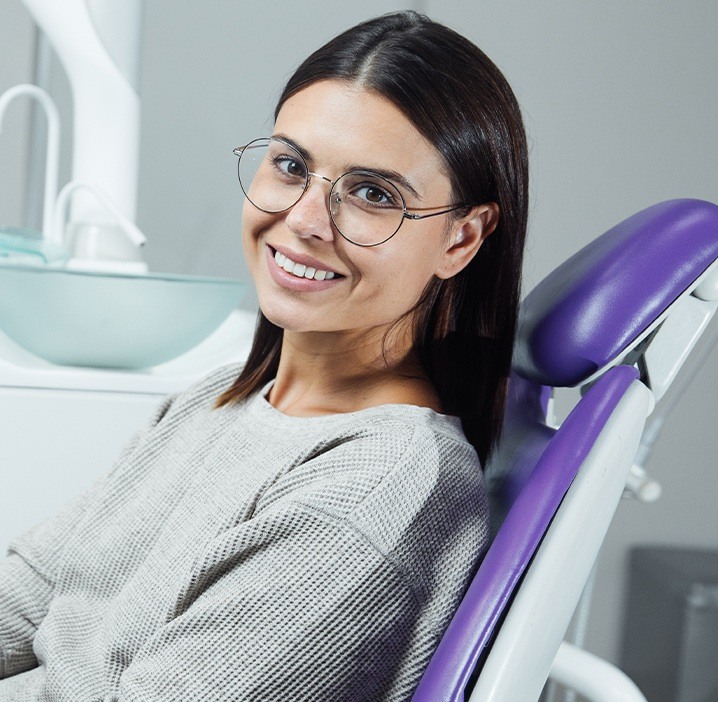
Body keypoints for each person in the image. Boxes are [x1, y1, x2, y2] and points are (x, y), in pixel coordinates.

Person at [0, 10, 528, 701]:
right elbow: (39, 587)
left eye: (372, 194)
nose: (304, 221)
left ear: (462, 238)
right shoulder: (222, 398)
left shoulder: (378, 486)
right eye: (291, 166)